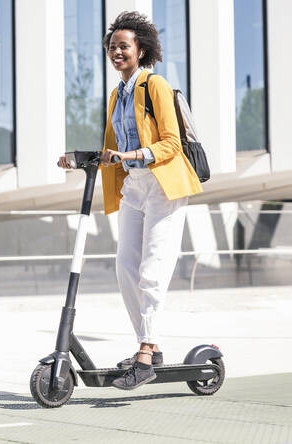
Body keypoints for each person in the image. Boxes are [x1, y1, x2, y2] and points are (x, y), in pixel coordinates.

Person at [58, 11, 202, 390]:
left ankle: (146, 349)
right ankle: (148, 346)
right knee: (126, 270)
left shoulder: (154, 85)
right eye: (111, 47)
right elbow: (111, 147)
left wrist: (133, 156)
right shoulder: (116, 94)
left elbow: (170, 143)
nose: (116, 52)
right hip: (134, 189)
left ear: (141, 50)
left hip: (164, 186)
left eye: (123, 46)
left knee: (152, 271)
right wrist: (76, 157)